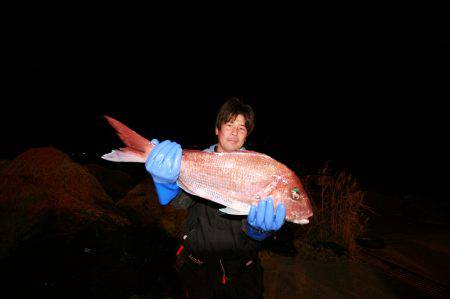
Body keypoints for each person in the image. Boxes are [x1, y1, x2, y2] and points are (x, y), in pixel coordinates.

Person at [145, 98, 286, 298]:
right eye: (229, 125)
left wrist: (257, 232)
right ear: (217, 130)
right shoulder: (197, 161)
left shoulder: (258, 171)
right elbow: (181, 202)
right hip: (198, 269)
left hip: (243, 271)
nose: (235, 132)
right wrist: (167, 184)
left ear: (246, 136)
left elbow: (263, 223)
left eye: (242, 128)